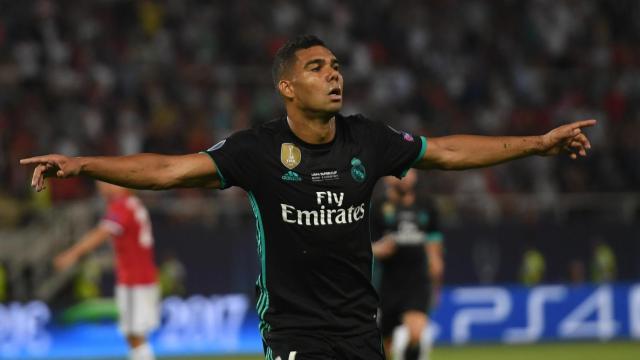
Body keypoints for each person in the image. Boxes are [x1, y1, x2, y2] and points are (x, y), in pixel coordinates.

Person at [21, 35, 595, 360]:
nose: (334, 74)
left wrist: (536, 146)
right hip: (295, 333)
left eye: (337, 66)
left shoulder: (367, 138)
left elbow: (446, 151)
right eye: (317, 68)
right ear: (287, 88)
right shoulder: (257, 150)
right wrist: (83, 163)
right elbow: (170, 169)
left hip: (359, 330)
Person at [54, 181, 159, 360]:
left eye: (108, 183)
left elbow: (101, 233)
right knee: (133, 334)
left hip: (135, 280)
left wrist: (72, 254)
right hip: (140, 277)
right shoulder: (133, 204)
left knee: (135, 334)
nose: (103, 188)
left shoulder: (123, 205)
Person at [372, 169, 443, 360]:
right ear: (388, 177)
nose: (406, 177)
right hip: (387, 284)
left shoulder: (427, 205)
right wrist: (377, 249)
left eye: (410, 172)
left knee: (416, 333)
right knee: (383, 344)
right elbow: (363, 246)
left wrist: (436, 273)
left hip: (417, 282)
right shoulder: (377, 207)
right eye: (401, 172)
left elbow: (434, 247)